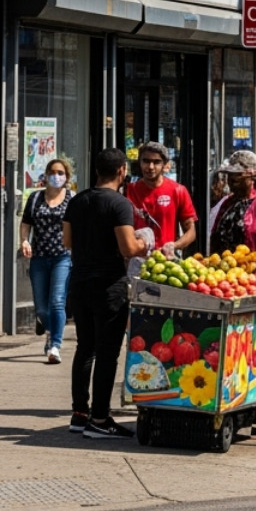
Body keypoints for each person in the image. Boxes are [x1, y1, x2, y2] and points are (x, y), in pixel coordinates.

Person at [63, 147, 147, 437]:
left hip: (79, 281)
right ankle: (99, 419)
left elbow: (67, 241)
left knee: (85, 348)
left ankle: (79, 413)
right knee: (108, 352)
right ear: (122, 170)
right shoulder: (120, 204)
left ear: (97, 170)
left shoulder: (77, 201)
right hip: (108, 285)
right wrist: (143, 244)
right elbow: (127, 248)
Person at [20, 157, 74, 364]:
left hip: (63, 256)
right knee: (41, 308)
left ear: (67, 177)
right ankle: (49, 330)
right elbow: (26, 223)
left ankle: (55, 346)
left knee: (57, 302)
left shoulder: (72, 199)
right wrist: (24, 241)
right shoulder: (35, 198)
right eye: (52, 172)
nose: (56, 176)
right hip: (39, 258)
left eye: (61, 173)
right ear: (46, 175)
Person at [125, 143, 198, 256]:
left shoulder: (178, 190)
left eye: (156, 162)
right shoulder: (128, 191)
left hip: (166, 263)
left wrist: (174, 245)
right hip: (135, 262)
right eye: (146, 161)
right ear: (139, 163)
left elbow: (191, 232)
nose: (150, 167)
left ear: (165, 165)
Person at [208, 150, 256, 254]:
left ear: (251, 177)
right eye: (229, 175)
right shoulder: (227, 203)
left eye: (237, 175)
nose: (231, 179)